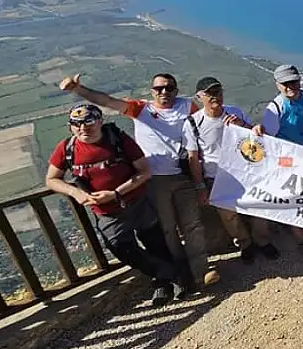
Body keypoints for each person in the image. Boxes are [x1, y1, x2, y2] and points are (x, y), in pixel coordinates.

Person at [58, 72, 215, 290]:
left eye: (169, 88)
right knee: (167, 230)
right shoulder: (142, 109)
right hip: (154, 180)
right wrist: (78, 89)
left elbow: (208, 125)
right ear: (152, 92)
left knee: (193, 226)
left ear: (176, 90)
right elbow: (107, 101)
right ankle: (182, 274)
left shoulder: (188, 107)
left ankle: (201, 272)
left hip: (184, 175)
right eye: (159, 88)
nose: (164, 92)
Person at [45, 104, 184, 306]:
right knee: (120, 247)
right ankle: (171, 274)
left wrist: (116, 193)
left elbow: (144, 171)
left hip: (136, 201)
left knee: (155, 241)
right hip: (106, 212)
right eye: (76, 124)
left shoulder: (118, 140)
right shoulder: (67, 149)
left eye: (88, 122)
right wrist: (75, 192)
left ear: (100, 121)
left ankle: (165, 283)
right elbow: (51, 179)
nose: (82, 128)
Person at [183, 76, 279, 264]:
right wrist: (200, 186)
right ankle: (245, 245)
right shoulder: (193, 123)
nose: (215, 97)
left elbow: (257, 136)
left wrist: (243, 126)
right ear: (199, 96)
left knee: (258, 208)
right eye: (210, 93)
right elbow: (193, 157)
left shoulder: (236, 112)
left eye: (218, 92)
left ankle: (263, 241)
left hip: (245, 172)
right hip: (216, 177)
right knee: (228, 215)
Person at [253, 63, 303, 257]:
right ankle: (300, 237)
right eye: (285, 83)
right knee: (292, 196)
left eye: (293, 82)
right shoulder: (275, 108)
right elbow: (267, 140)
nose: (290, 87)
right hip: (289, 162)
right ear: (277, 85)